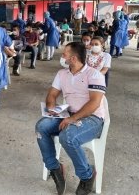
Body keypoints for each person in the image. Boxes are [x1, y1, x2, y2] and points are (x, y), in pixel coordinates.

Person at [35, 42, 106, 195]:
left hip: (92, 119)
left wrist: (72, 119)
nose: (62, 56)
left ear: (73, 58)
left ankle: (87, 175)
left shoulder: (94, 75)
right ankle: (55, 169)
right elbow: (52, 95)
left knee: (66, 136)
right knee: (41, 127)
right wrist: (51, 109)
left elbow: (94, 103)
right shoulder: (62, 74)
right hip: (69, 113)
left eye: (65, 54)